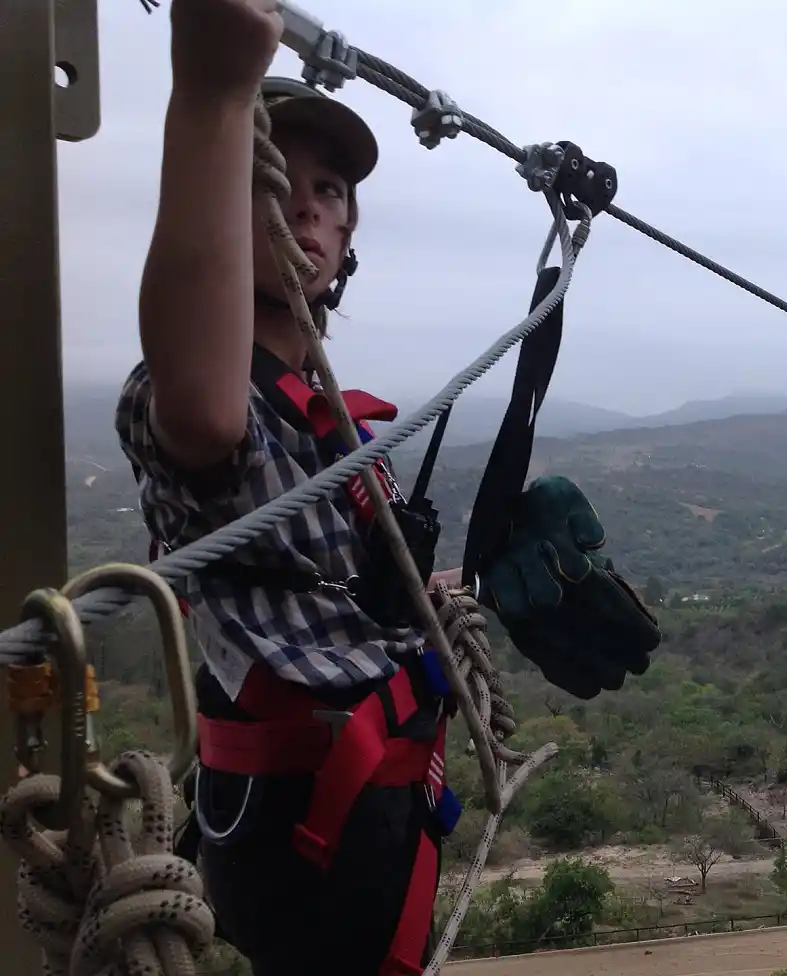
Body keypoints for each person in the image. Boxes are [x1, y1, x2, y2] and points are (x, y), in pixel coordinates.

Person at [116, 2, 470, 974]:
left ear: (347, 244)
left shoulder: (342, 424)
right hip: (295, 832)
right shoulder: (211, 400)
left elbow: (327, 595)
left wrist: (427, 604)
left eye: (328, 191)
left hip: (380, 813)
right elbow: (201, 412)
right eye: (269, 177)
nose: (304, 205)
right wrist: (211, 97)